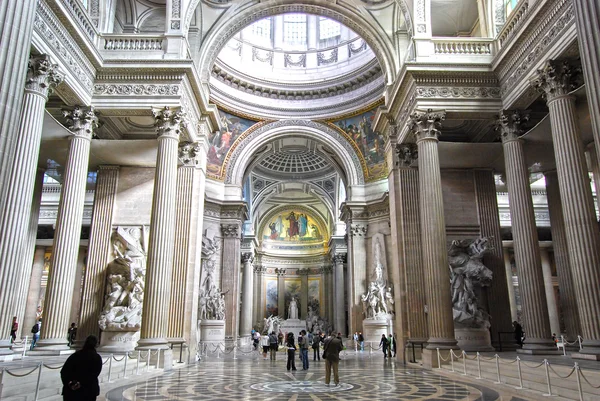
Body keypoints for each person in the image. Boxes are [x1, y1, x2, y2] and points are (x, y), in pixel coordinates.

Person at [60, 335, 102, 401]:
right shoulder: (96, 357)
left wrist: (70, 383)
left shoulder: (75, 355)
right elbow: (94, 374)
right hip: (88, 390)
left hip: (71, 391)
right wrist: (80, 383)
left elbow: (64, 371)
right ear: (96, 344)